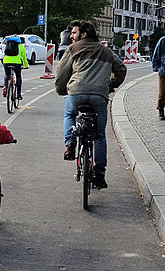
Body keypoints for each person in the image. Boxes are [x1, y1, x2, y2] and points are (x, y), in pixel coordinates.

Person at [55, 21, 127, 189]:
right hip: (99, 96)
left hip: (76, 93)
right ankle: (100, 174)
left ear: (84, 34)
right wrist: (110, 85)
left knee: (69, 115)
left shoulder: (72, 50)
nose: (71, 36)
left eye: (74, 33)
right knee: (99, 135)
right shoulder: (106, 51)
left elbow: (61, 74)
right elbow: (122, 69)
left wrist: (62, 90)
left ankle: (70, 143)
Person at [2, 36, 28, 100]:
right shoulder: (21, 46)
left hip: (6, 62)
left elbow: (4, 54)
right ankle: (18, 94)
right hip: (17, 63)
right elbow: (24, 58)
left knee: (7, 75)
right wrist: (25, 65)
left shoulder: (7, 45)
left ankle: (5, 86)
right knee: (18, 76)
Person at [151, 34, 165, 120]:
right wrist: (157, 68)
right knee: (162, 92)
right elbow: (156, 54)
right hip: (164, 71)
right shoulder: (163, 40)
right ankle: (160, 109)